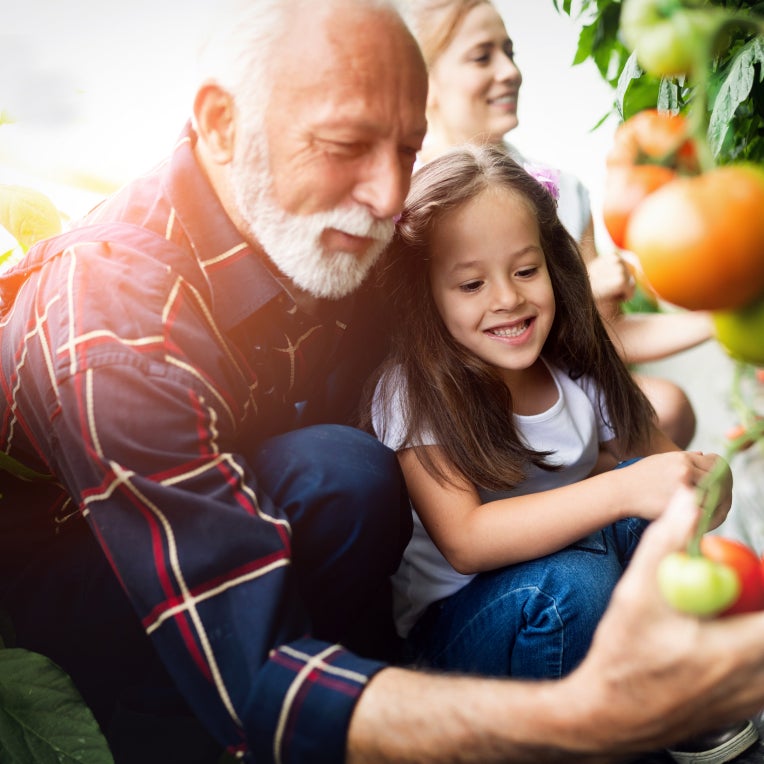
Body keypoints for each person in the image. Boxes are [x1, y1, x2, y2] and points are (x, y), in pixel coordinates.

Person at [1, 2, 764, 763]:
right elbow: (257, 671)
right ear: (222, 124)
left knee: (343, 472)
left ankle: (390, 680)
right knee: (379, 508)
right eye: (346, 144)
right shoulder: (117, 324)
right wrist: (590, 716)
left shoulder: (334, 234)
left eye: (407, 149)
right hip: (91, 564)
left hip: (274, 518)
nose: (388, 193)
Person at [367, 143, 730, 683]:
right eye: (472, 284)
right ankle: (563, 732)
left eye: (525, 270)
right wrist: (624, 490)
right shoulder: (412, 389)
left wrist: (704, 486)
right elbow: (466, 540)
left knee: (648, 511)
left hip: (574, 585)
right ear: (427, 294)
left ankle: (656, 684)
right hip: (462, 631)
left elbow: (665, 470)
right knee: (569, 584)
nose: (508, 298)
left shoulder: (576, 366)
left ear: (551, 265)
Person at [400, 0, 713, 451]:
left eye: (510, 51)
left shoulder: (565, 191)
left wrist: (720, 319)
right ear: (424, 81)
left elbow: (610, 334)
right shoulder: (407, 206)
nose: (509, 71)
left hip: (560, 399)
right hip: (462, 415)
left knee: (668, 406)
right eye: (481, 55)